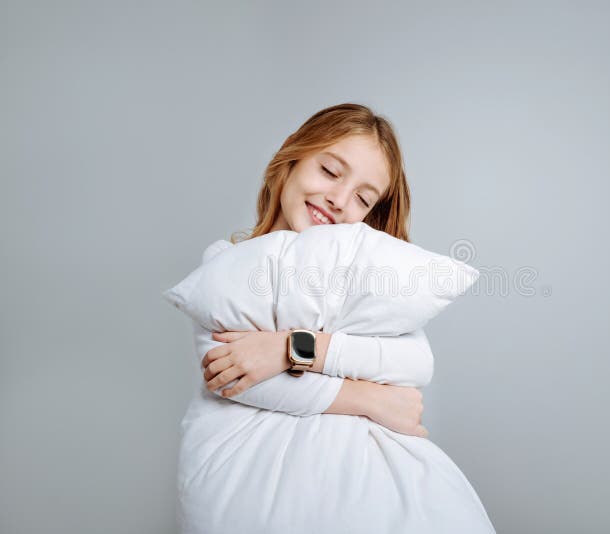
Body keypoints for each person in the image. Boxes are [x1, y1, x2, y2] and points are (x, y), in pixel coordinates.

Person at [177, 103, 496, 533]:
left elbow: (416, 363)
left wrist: (288, 348)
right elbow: (230, 375)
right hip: (241, 475)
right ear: (293, 155)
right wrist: (370, 398)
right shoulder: (227, 264)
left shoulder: (362, 278)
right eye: (329, 171)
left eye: (363, 198)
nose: (339, 200)